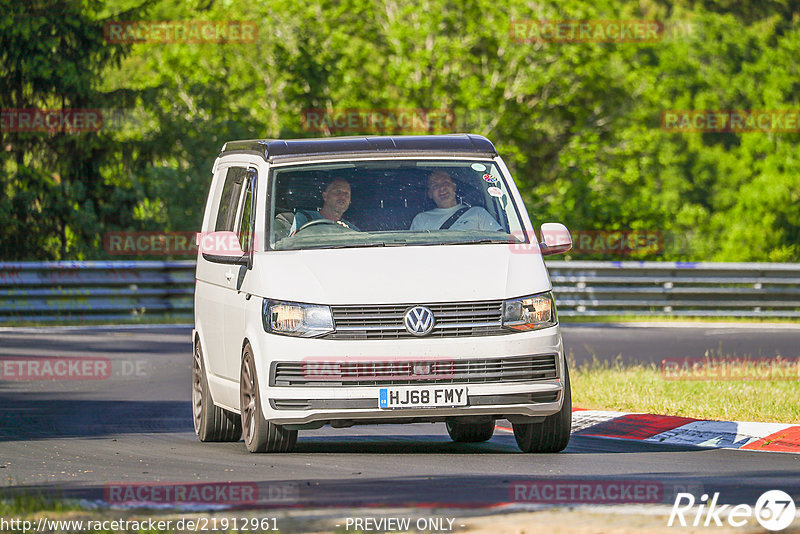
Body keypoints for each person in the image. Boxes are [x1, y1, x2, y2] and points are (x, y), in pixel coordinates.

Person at [409, 171, 502, 231]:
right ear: (430, 194)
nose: (442, 188)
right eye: (435, 186)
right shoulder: (421, 219)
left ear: (454, 187)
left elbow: (501, 243)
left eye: (445, 183)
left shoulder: (477, 213)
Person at [288, 178, 358, 235]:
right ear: (325, 196)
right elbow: (292, 245)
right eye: (337, 192)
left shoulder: (352, 230)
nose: (342, 197)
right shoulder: (304, 218)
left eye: (346, 194)